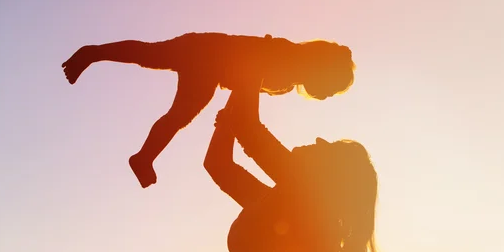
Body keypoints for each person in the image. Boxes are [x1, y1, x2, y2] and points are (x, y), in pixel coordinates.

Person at [61, 32, 355, 188]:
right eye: (330, 87)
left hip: (212, 71)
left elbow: (246, 86)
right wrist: (235, 117)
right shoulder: (289, 58)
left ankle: (143, 157)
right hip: (205, 52)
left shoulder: (289, 79)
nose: (326, 95)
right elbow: (250, 73)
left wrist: (232, 114)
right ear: (321, 68)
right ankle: (94, 53)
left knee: (178, 117)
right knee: (149, 55)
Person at [203, 81, 379, 252]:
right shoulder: (283, 205)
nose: (318, 141)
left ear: (329, 176)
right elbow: (219, 165)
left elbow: (249, 130)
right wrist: (228, 115)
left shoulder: (310, 201)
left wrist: (250, 68)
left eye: (328, 148)